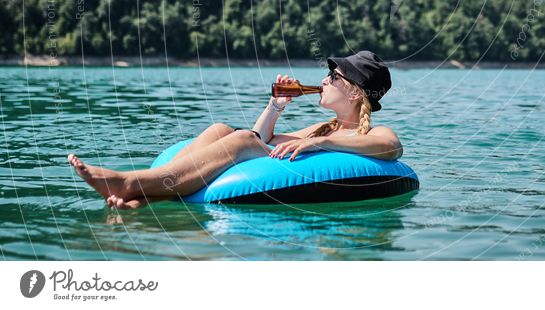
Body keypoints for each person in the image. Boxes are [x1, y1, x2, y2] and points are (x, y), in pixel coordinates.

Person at [67, 51, 402, 209]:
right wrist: (276, 106)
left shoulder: (371, 132)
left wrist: (323, 143)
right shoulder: (321, 126)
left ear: (356, 92)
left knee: (240, 139)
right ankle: (146, 196)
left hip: (304, 187)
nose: (326, 79)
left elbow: (392, 148)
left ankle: (130, 184)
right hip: (280, 157)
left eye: (335, 76)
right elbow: (264, 140)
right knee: (221, 128)